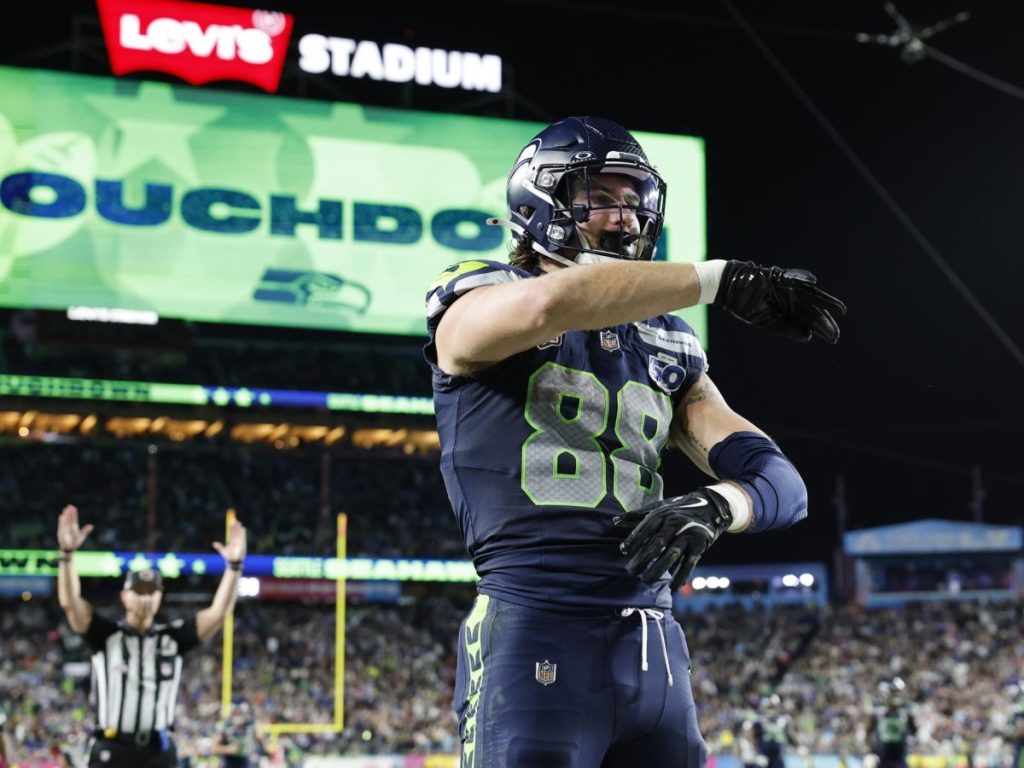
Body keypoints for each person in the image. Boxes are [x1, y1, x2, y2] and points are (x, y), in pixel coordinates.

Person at [423, 115, 846, 767]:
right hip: (536, 624)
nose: (624, 217)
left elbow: (781, 484)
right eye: (601, 196)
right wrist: (719, 279)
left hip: (654, 647)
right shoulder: (482, 292)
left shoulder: (666, 339)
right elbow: (547, 306)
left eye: (634, 199)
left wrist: (719, 504)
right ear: (541, 202)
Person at [56, 503, 247, 768]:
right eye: (139, 591)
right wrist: (66, 555)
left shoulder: (173, 639)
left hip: (159, 751)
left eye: (151, 592)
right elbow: (71, 603)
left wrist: (234, 566)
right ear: (124, 596)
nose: (145, 598)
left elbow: (218, 613)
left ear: (160, 597)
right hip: (112, 748)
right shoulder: (105, 635)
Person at [867, 681, 917, 768]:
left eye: (896, 693)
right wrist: (871, 751)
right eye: (892, 693)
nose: (894, 696)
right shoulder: (879, 714)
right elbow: (869, 731)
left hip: (899, 756)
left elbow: (914, 731)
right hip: (882, 756)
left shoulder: (905, 714)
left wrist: (910, 744)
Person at [211, 701, 269, 768]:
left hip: (246, 761)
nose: (238, 715)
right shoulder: (224, 726)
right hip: (229, 762)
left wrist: (261, 748)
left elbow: (265, 744)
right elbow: (214, 748)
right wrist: (227, 749)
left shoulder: (251, 725)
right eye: (235, 713)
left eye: (240, 712)